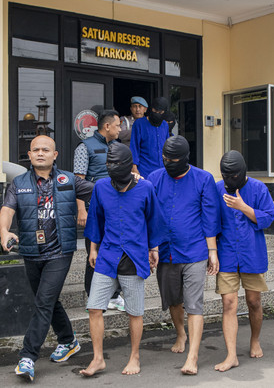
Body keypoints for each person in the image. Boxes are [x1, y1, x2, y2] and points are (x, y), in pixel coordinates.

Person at [0, 135, 93, 382]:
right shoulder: (18, 183)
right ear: (29, 155)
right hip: (31, 252)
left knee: (42, 303)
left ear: (55, 155)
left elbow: (101, 190)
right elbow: (7, 211)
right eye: (35, 150)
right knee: (47, 301)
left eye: (45, 149)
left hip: (60, 252)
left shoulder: (69, 180)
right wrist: (4, 231)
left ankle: (27, 356)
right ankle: (68, 340)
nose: (40, 153)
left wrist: (126, 180)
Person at [80, 143, 168, 377]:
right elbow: (96, 220)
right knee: (94, 307)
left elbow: (153, 221)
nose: (112, 168)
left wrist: (154, 249)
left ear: (129, 166)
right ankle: (98, 359)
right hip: (107, 256)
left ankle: (135, 357)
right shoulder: (100, 187)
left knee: (135, 312)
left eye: (117, 164)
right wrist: (93, 249)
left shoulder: (146, 187)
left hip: (134, 256)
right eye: (109, 164)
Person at [147, 135, 220, 375]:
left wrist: (212, 251)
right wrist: (152, 246)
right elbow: (150, 215)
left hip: (195, 250)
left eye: (174, 159)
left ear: (185, 158)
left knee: (194, 304)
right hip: (166, 251)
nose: (169, 162)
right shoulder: (155, 178)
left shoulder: (203, 179)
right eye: (166, 158)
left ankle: (193, 357)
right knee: (173, 300)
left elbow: (210, 216)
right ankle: (181, 334)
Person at [214, 150, 274, 372]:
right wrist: (212, 252)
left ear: (242, 172)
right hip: (227, 254)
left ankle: (255, 340)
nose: (229, 179)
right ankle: (231, 355)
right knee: (229, 303)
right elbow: (212, 221)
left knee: (253, 302)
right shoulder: (217, 188)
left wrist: (244, 207)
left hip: (252, 253)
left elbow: (268, 217)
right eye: (225, 174)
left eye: (234, 174)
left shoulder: (259, 188)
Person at [73, 109, 125, 311]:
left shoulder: (119, 147)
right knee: (93, 253)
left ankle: (114, 295)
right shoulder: (85, 148)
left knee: (118, 252)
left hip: (118, 210)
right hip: (94, 209)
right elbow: (78, 181)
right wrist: (81, 210)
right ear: (107, 126)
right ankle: (92, 296)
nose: (121, 128)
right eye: (118, 125)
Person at [130, 97, 171, 178]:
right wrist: (134, 168)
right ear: (151, 109)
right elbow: (134, 147)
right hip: (144, 171)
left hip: (163, 170)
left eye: (160, 112)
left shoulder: (165, 125)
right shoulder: (139, 124)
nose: (157, 113)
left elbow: (167, 147)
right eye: (155, 111)